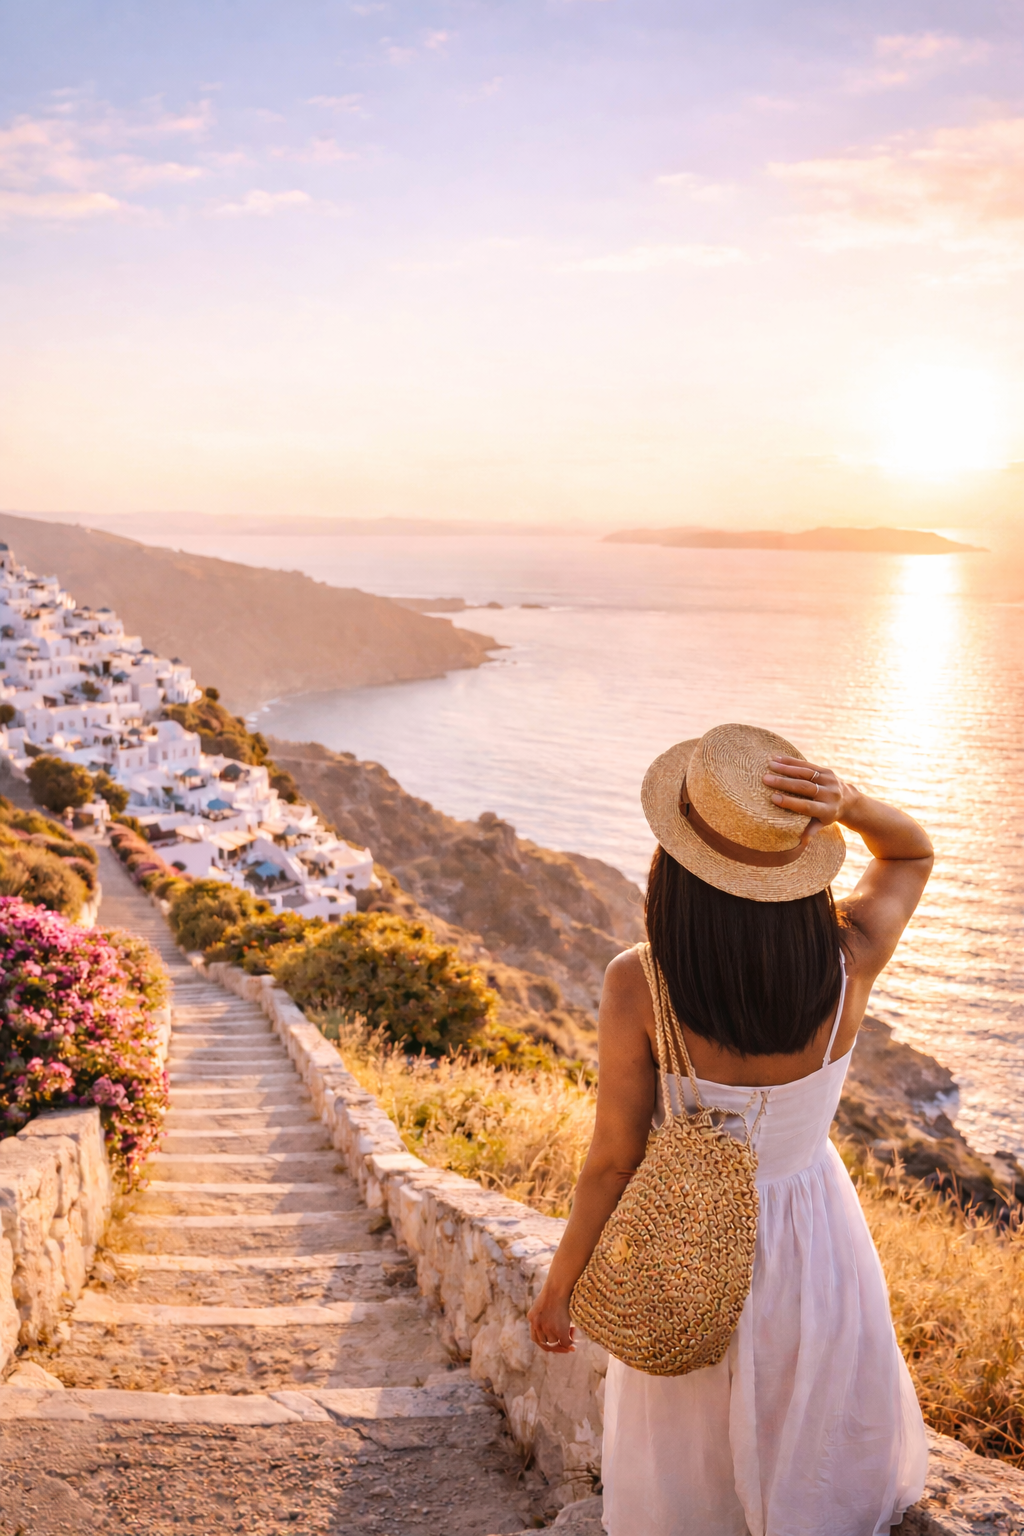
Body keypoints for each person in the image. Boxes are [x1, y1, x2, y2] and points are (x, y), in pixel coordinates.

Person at [528, 723, 934, 1536]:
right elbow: (911, 854)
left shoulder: (637, 982)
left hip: (689, 1250)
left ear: (676, 866)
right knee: (811, 1448)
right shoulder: (850, 957)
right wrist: (848, 804)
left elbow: (613, 1163)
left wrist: (561, 1282)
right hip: (815, 1239)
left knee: (694, 1473)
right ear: (799, 863)